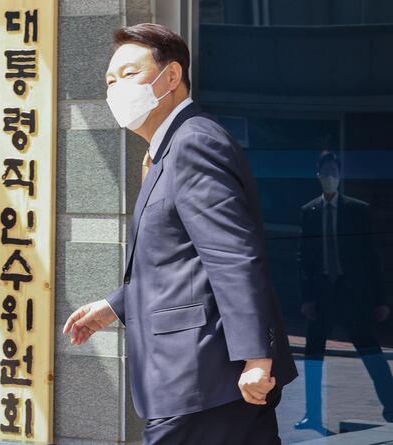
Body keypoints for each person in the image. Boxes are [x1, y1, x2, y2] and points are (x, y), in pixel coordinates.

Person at [62, 23, 298, 444]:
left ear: (171, 76)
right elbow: (181, 258)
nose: (116, 89)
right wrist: (116, 305)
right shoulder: (168, 148)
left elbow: (232, 255)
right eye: (110, 81)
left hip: (202, 379)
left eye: (130, 74)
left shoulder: (193, 143)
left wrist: (256, 358)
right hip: (205, 382)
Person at [295, 150, 393, 432]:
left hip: (352, 295)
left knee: (371, 352)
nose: (330, 177)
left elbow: (370, 256)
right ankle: (313, 415)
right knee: (313, 358)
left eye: (334, 172)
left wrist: (380, 300)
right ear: (318, 175)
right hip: (322, 295)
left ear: (340, 176)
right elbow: (304, 257)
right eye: (325, 172)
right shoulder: (310, 212)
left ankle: (392, 407)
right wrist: (307, 298)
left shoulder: (357, 210)